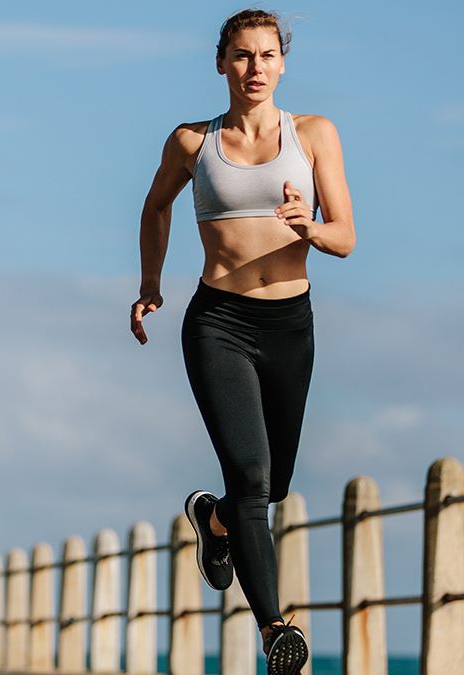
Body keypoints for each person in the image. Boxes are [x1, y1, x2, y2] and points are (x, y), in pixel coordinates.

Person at [129, 8, 354, 675]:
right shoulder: (192, 142)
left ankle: (217, 519)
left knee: (271, 484)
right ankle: (276, 629)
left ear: (282, 63)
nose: (255, 68)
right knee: (252, 476)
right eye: (241, 56)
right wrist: (150, 281)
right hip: (218, 322)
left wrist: (306, 226)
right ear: (222, 63)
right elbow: (155, 205)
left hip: (290, 324)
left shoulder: (313, 135)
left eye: (266, 56)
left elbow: (345, 235)